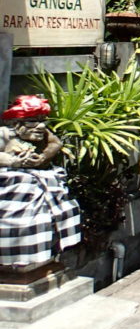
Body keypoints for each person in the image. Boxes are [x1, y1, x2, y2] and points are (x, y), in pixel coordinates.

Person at [0, 96, 82, 268]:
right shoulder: (4, 134)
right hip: (14, 187)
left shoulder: (43, 133)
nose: (41, 126)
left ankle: (47, 255)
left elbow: (56, 143)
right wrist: (13, 161)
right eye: (32, 121)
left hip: (41, 180)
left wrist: (42, 157)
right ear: (16, 122)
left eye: (43, 120)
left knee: (59, 211)